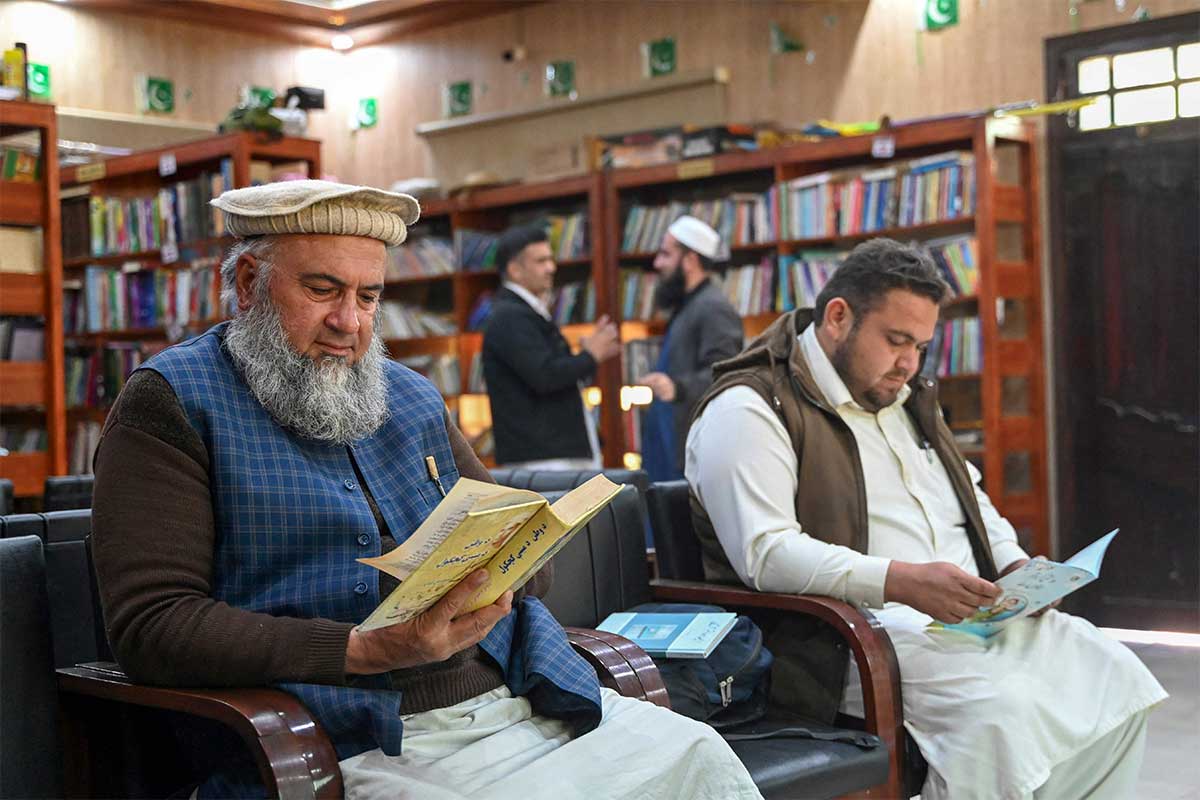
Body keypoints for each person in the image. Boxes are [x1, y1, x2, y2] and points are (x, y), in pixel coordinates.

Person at [90, 180, 760, 800]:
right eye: (323, 290)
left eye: (368, 296)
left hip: (522, 696)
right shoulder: (173, 401)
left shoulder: (410, 396)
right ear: (246, 283)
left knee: (702, 758)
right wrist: (363, 650)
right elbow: (153, 626)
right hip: (342, 738)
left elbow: (531, 561)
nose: (349, 322)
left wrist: (503, 567)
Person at [684, 237, 1166, 800]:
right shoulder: (750, 408)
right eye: (896, 341)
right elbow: (765, 553)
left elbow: (969, 497)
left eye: (920, 345)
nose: (910, 363)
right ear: (838, 317)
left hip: (971, 613)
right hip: (861, 637)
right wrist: (902, 582)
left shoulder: (901, 395)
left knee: (1113, 676)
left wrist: (1013, 563)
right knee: (1001, 719)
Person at [482, 224, 621, 468]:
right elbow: (544, 375)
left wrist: (586, 357)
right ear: (515, 270)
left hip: (552, 456)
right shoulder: (509, 316)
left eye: (551, 259)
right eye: (541, 261)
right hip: (543, 460)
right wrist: (589, 356)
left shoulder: (522, 311)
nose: (551, 268)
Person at [637, 215, 743, 481]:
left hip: (688, 453)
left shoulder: (712, 307)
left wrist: (678, 387)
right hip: (669, 445)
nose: (657, 263)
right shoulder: (689, 306)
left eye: (665, 254)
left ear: (690, 260)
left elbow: (727, 373)